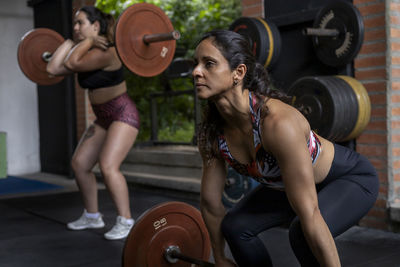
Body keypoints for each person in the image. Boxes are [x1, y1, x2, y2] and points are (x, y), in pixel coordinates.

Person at [192, 29, 379, 266]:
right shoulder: (212, 134)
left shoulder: (278, 124)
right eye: (196, 64)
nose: (196, 72)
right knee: (235, 226)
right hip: (289, 187)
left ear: (238, 72)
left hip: (348, 179)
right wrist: (220, 257)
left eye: (208, 64)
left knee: (301, 232)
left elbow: (310, 213)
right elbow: (210, 202)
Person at [46, 6, 139, 240]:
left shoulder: (107, 51)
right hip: (104, 118)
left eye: (80, 23)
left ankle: (126, 221)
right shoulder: (86, 51)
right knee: (79, 164)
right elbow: (52, 68)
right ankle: (92, 215)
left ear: (96, 26)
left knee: (108, 166)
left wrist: (85, 43)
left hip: (122, 114)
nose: (76, 27)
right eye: (74, 24)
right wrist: (68, 42)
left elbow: (73, 64)